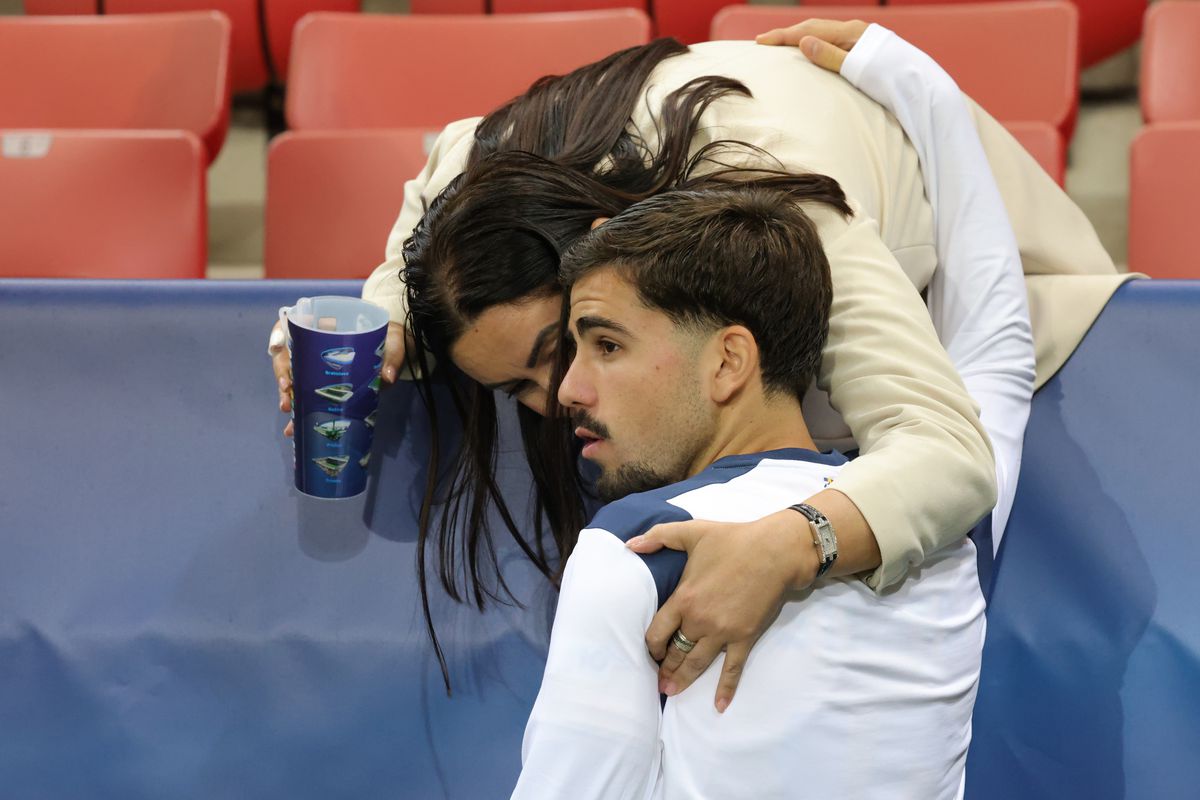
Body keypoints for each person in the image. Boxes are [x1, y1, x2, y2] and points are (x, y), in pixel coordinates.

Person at [268, 20, 1128, 706]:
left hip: (957, 254)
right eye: (514, 388)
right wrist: (385, 319)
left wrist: (793, 542)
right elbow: (440, 176)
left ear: (596, 257)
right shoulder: (483, 169)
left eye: (563, 350)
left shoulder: (775, 212)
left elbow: (950, 452)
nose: (557, 400)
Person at [514, 180, 985, 799]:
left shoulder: (638, 546)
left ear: (728, 361)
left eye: (607, 345)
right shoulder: (947, 554)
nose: (569, 390)